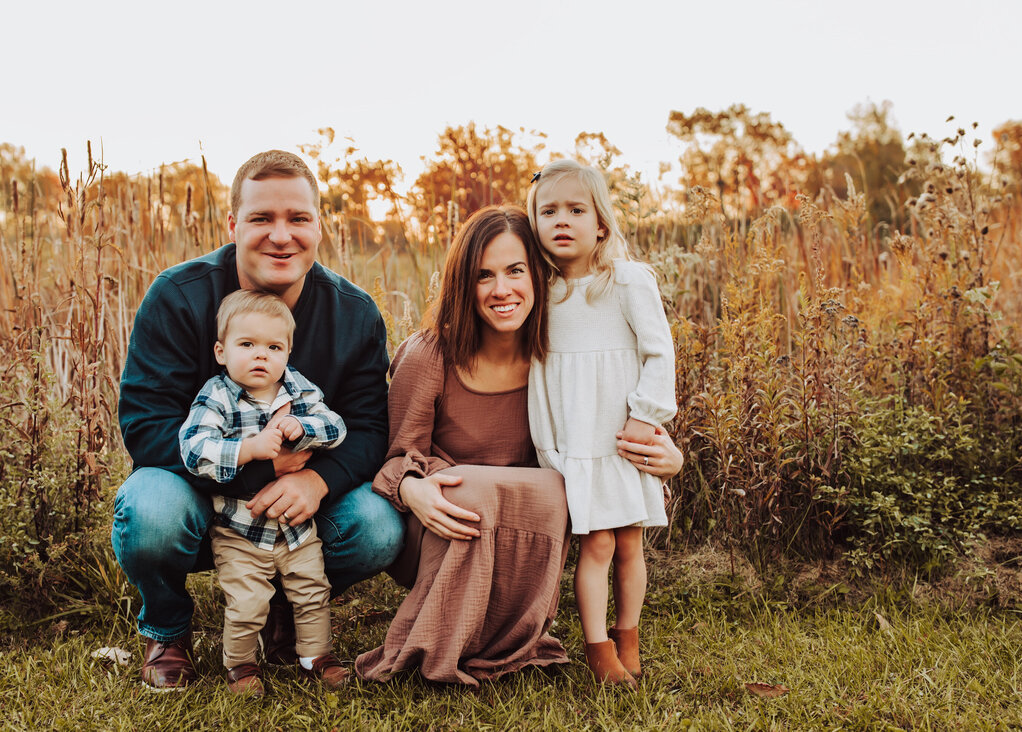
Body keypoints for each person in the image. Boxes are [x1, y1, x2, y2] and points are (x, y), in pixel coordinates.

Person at [354, 205, 683, 686]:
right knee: (474, 489)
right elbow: (398, 453)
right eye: (484, 275)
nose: (501, 289)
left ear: (539, 276)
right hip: (439, 524)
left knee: (554, 488)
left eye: (515, 271)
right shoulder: (430, 355)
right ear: (463, 284)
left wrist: (665, 457)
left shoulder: (557, 364)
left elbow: (604, 436)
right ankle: (446, 637)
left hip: (523, 527)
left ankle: (505, 634)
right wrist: (410, 490)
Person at [113, 150, 403, 691]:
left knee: (378, 527)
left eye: (298, 218)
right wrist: (255, 470)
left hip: (301, 504)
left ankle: (284, 609)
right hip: (198, 491)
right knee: (149, 508)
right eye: (261, 218)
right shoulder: (177, 297)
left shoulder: (354, 312)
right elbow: (146, 425)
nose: (281, 235)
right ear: (232, 225)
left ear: (320, 225)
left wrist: (317, 481)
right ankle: (168, 627)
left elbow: (369, 427)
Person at [526, 160, 678, 689]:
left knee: (631, 541)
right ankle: (597, 646)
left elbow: (659, 353)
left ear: (601, 226)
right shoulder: (537, 293)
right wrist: (549, 450)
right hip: (577, 442)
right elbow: (541, 379)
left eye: (575, 210)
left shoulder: (627, 281)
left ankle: (628, 632)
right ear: (535, 224)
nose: (561, 220)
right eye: (549, 211)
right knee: (596, 546)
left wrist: (646, 417)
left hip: (623, 436)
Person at [178, 290, 350, 696]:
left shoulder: (298, 390)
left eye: (274, 347)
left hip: (296, 527)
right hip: (241, 529)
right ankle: (241, 666)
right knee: (247, 602)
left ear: (288, 352)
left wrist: (305, 430)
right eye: (247, 345)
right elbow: (193, 448)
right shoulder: (216, 396)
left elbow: (336, 426)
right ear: (221, 352)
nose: (261, 356)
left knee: (312, 590)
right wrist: (249, 452)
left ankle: (315, 656)